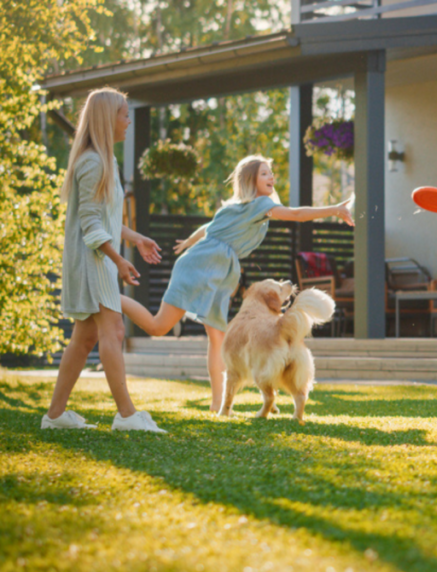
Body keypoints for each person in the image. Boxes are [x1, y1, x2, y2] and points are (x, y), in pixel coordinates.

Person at [120, 155, 354, 413]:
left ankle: (218, 404)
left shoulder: (239, 207)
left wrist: (189, 241)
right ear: (250, 179)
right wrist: (334, 209)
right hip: (202, 268)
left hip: (215, 272)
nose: (271, 177)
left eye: (271, 173)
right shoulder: (259, 204)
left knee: (217, 338)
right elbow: (296, 214)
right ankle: (113, 298)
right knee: (158, 326)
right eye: (264, 173)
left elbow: (209, 227)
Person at [43, 88, 166, 433]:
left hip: (99, 258)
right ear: (106, 118)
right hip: (92, 260)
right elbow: (91, 224)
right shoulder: (93, 162)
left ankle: (54, 416)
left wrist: (136, 238)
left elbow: (107, 219)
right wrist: (118, 260)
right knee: (112, 329)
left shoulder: (106, 161)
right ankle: (127, 415)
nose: (128, 120)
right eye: (124, 114)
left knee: (84, 338)